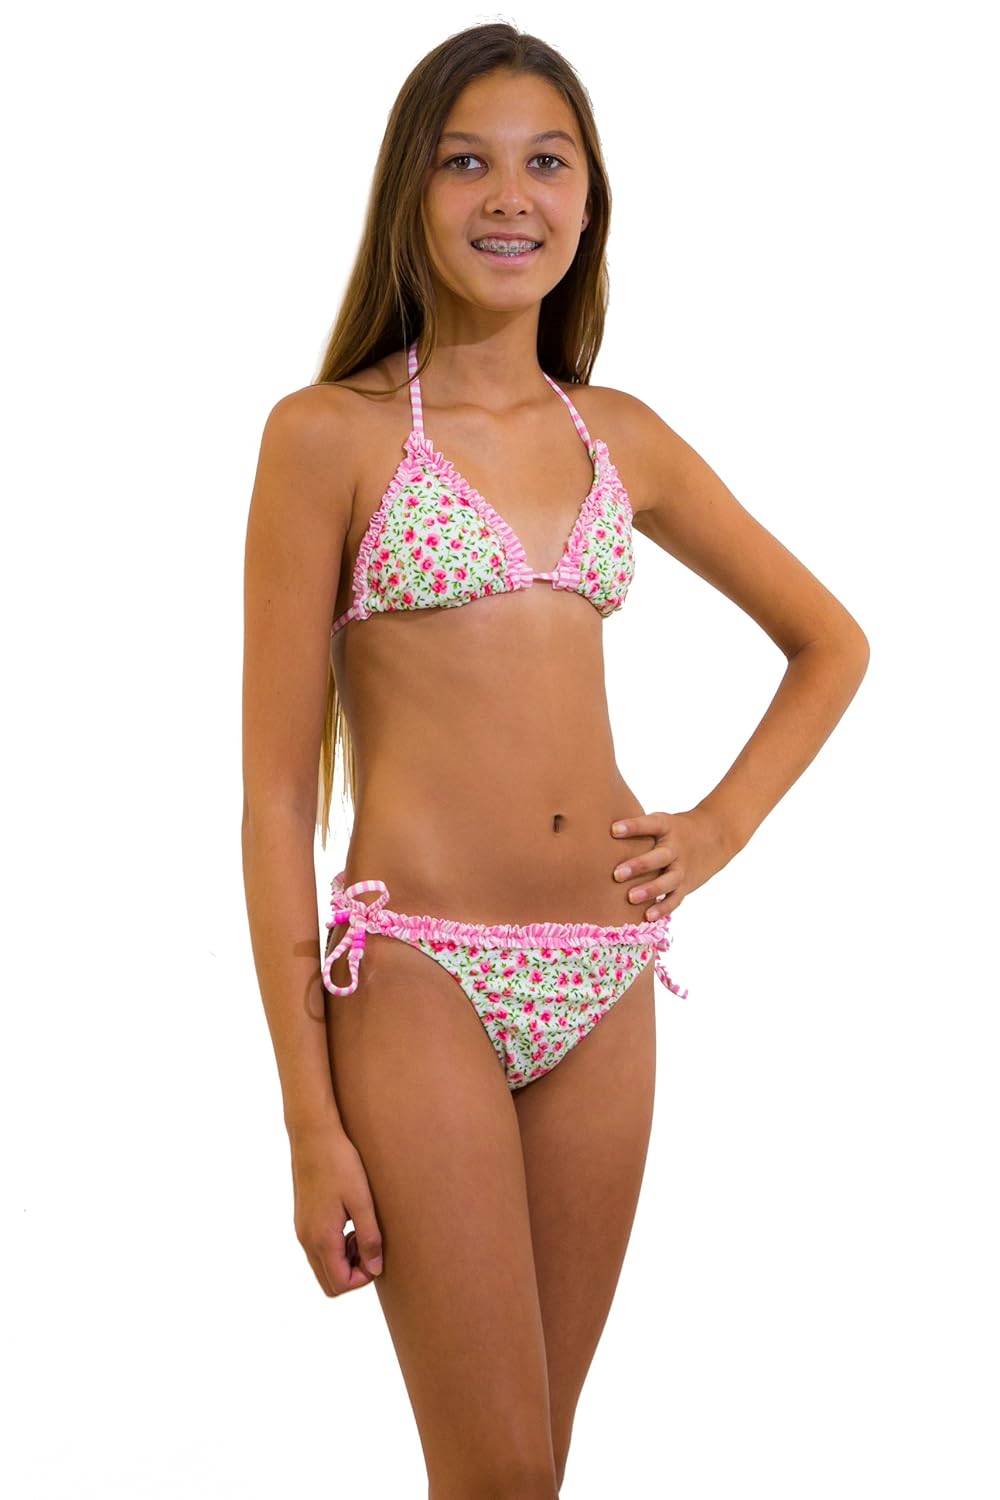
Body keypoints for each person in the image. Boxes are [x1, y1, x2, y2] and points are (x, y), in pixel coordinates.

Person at [241, 21, 869, 1498]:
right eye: (467, 162)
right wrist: (308, 1122)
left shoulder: (621, 437)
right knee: (499, 1477)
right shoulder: (328, 435)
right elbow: (275, 794)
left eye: (547, 162)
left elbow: (830, 642)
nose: (508, 196)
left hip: (604, 978)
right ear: (411, 188)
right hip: (418, 972)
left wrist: (716, 831)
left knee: (532, 1474)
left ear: (590, 202)